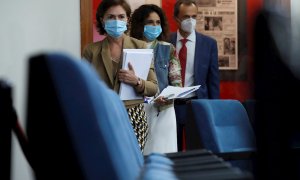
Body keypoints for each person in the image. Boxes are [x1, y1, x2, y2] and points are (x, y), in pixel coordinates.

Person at [82, 0, 158, 152]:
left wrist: (136, 81)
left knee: (131, 165)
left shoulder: (140, 46)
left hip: (134, 116)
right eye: (111, 17)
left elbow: (153, 87)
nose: (116, 21)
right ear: (102, 20)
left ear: (127, 19)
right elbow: (82, 88)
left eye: (121, 16)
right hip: (102, 115)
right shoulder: (91, 50)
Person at [130, 4, 182, 155]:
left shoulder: (169, 49)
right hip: (137, 111)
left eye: (158, 22)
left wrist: (167, 97)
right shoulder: (129, 47)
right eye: (150, 22)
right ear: (140, 24)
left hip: (164, 111)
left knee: (164, 157)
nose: (154, 26)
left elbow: (177, 82)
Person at [169, 0, 220, 151]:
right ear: (176, 18)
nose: (190, 21)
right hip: (171, 106)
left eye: (194, 16)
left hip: (197, 105)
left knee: (197, 150)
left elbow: (213, 80)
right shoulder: (165, 41)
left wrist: (214, 109)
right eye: (186, 17)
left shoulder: (209, 44)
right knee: (172, 150)